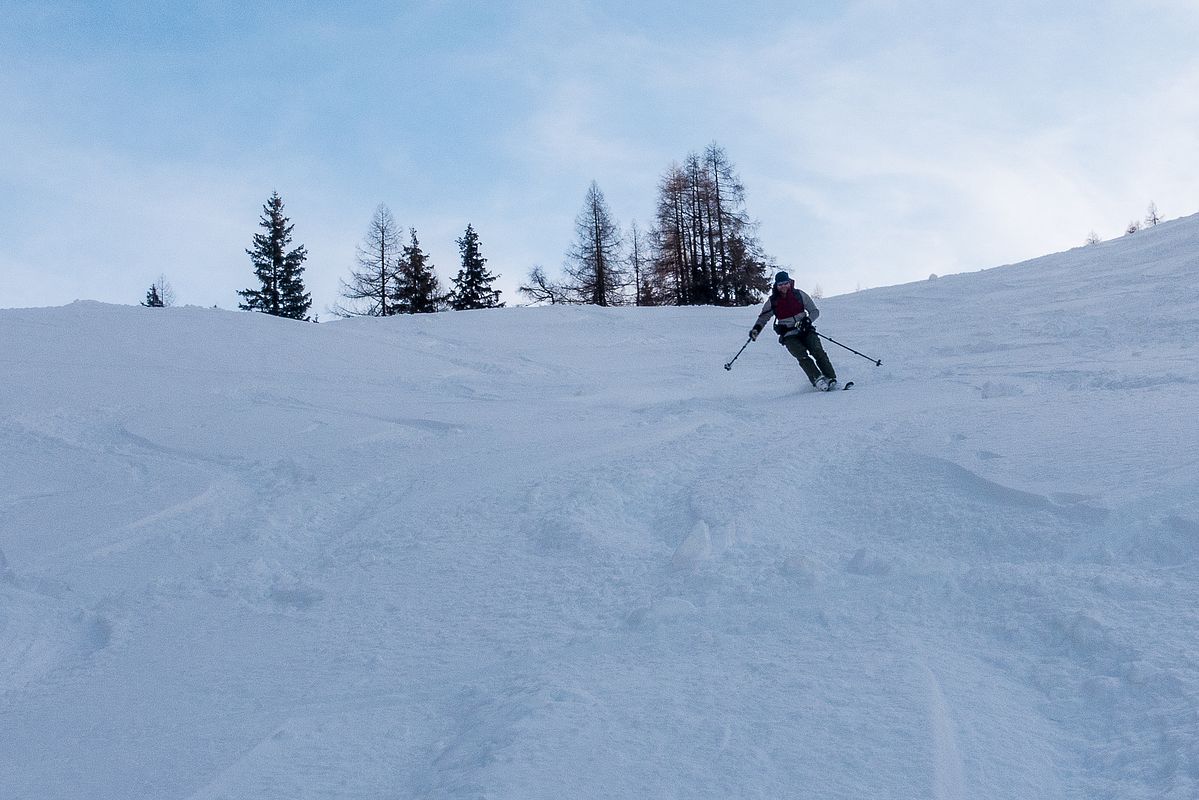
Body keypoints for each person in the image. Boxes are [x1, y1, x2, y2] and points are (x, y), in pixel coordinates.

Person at [749, 271, 839, 390]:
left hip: (805, 330)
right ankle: (817, 379)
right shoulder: (773, 301)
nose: (783, 287)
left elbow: (814, 311)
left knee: (817, 350)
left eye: (785, 283)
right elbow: (763, 317)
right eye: (780, 284)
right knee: (800, 354)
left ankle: (830, 377)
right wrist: (756, 330)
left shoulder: (799, 295)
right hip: (788, 334)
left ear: (789, 283)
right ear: (776, 285)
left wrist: (807, 321)